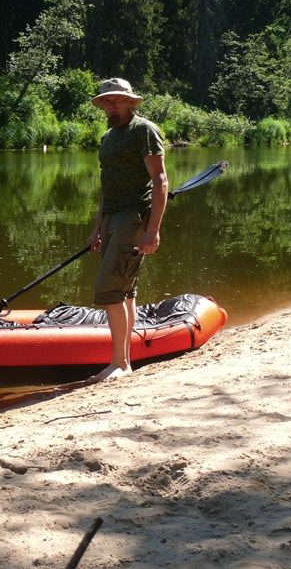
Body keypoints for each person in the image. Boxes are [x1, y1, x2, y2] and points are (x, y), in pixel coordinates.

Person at [86, 78, 168, 383]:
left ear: (131, 102)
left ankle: (119, 364)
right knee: (125, 292)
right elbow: (106, 187)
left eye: (117, 100)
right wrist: (97, 229)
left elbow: (160, 181)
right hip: (111, 220)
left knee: (109, 290)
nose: (110, 105)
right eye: (106, 101)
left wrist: (152, 231)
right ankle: (126, 362)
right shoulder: (108, 137)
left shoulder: (143, 130)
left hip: (132, 219)